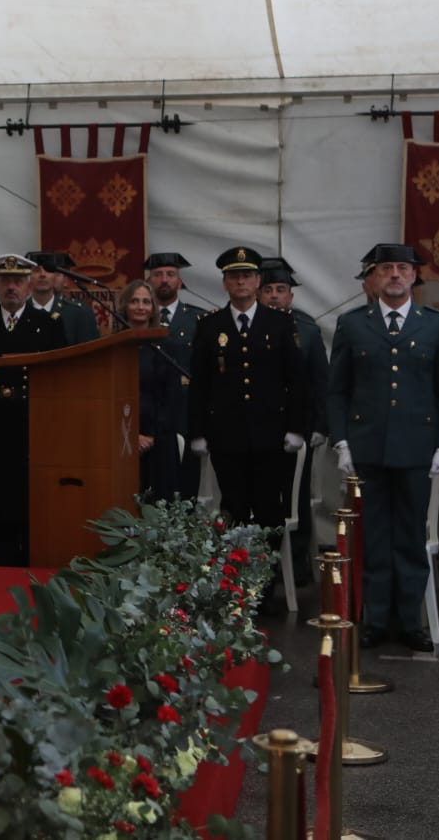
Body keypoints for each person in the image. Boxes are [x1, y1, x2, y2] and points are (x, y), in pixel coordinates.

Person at [328, 244, 439, 652]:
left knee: (410, 538)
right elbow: (338, 391)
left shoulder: (436, 325)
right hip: (368, 448)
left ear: (415, 276)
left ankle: (410, 620)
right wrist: (342, 440)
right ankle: (376, 620)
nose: (396, 275)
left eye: (403, 268)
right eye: (387, 269)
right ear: (375, 277)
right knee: (375, 536)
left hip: (418, 449)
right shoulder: (353, 325)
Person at [187, 246, 307, 608]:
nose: (241, 282)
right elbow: (199, 385)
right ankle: (236, 581)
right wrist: (197, 432)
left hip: (273, 437)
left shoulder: (281, 323)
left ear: (258, 281)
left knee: (270, 511)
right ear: (225, 282)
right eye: (234, 276)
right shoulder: (210, 326)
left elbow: (298, 381)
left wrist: (297, 428)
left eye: (247, 276)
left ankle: (265, 585)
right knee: (235, 509)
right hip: (227, 437)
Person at [0, 254, 64, 565]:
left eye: (18, 281)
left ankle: (29, 567)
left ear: (29, 287)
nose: (12, 288)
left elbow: (58, 381)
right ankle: (4, 570)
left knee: (31, 505)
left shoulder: (47, 325)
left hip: (31, 428)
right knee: (0, 509)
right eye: (5, 282)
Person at [259, 257, 327, 582]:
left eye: (281, 290)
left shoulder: (308, 329)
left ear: (291, 296)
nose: (274, 296)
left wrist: (319, 426)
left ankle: (298, 564)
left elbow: (320, 382)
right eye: (268, 289)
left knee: (296, 496)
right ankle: (260, 566)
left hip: (299, 427)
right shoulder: (246, 324)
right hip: (257, 426)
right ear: (258, 293)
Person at [145, 252, 205, 498]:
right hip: (150, 414)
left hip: (186, 410)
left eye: (171, 274)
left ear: (180, 282)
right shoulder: (140, 316)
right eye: (158, 275)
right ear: (150, 281)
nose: (164, 280)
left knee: (187, 483)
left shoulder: (197, 319)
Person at [120, 278, 181, 503]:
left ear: (153, 308)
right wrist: (130, 436)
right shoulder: (111, 345)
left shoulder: (166, 346)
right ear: (124, 305)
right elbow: (107, 396)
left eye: (146, 301)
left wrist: (151, 436)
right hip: (121, 442)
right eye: (134, 301)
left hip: (159, 442)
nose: (140, 306)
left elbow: (172, 398)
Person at [27, 250, 101, 345]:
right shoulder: (19, 311)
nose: (42, 275)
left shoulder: (78, 313)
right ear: (28, 277)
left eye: (48, 271)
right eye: (36, 270)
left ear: (55, 276)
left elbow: (91, 354)